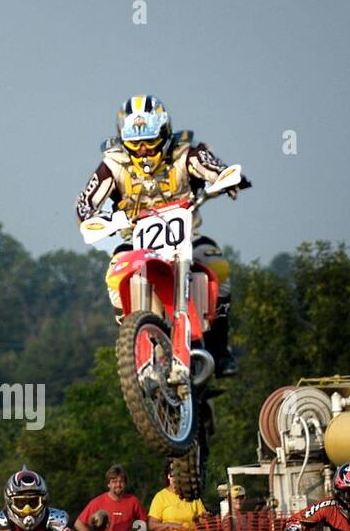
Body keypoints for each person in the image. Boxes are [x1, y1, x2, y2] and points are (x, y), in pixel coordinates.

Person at [74, 95, 247, 375]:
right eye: (135, 144)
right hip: (135, 242)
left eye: (149, 142)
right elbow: (85, 202)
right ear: (123, 140)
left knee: (218, 267)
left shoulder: (185, 153)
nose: (143, 151)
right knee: (114, 278)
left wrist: (228, 179)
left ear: (164, 134)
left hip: (186, 240)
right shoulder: (113, 164)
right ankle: (133, 336)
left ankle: (219, 349)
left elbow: (215, 168)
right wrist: (92, 219)